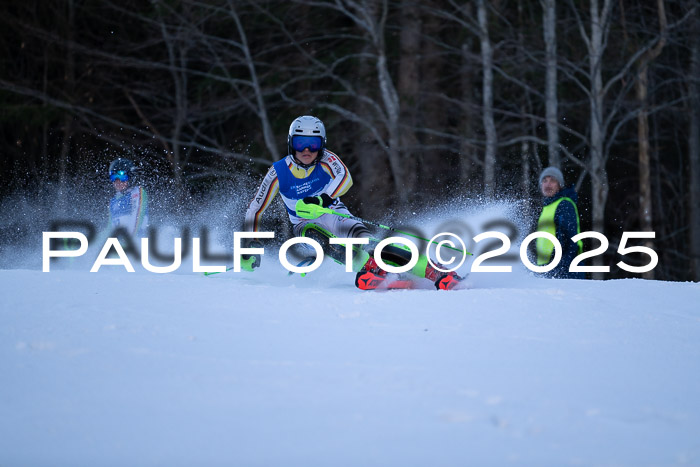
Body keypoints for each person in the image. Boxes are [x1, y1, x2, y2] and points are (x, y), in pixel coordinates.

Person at [242, 115, 462, 290]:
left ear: (322, 144)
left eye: (313, 143)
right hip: (305, 224)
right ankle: (370, 268)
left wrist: (322, 198)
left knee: (373, 245)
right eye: (301, 143)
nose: (307, 150)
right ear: (291, 144)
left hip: (337, 214)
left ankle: (435, 271)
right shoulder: (278, 172)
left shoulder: (328, 159)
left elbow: (345, 179)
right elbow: (256, 208)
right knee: (319, 239)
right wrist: (249, 244)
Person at [535, 166, 584, 279]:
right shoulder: (547, 207)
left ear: (559, 185)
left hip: (565, 271)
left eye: (552, 181)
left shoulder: (564, 204)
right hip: (548, 268)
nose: (548, 184)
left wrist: (561, 269)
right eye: (545, 181)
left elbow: (571, 240)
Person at [107, 158, 149, 239]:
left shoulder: (137, 192)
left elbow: (136, 220)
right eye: (113, 176)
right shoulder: (113, 201)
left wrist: (127, 243)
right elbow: (109, 230)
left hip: (136, 245)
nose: (118, 181)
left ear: (131, 177)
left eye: (122, 176)